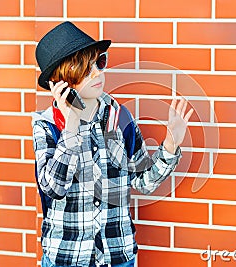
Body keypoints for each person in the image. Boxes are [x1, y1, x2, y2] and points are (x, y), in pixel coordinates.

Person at [32, 21, 193, 267]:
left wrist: (171, 145)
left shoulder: (120, 117)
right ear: (60, 80)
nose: (97, 73)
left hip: (117, 256)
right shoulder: (48, 126)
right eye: (85, 69)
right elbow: (54, 188)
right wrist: (71, 127)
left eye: (99, 62)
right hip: (66, 258)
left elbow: (143, 181)